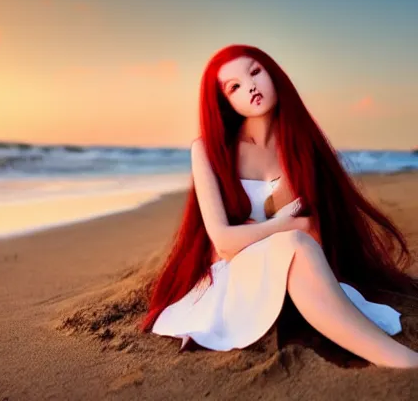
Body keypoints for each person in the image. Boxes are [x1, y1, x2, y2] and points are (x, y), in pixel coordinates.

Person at [138, 44, 418, 369]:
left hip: (298, 269)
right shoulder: (208, 151)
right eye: (235, 87)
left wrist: (267, 231)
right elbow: (225, 244)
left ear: (272, 73)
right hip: (239, 276)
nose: (251, 86)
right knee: (296, 240)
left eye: (255, 72)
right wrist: (288, 224)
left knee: (299, 246)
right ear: (224, 101)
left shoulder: (300, 145)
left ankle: (391, 355)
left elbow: (316, 235)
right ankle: (402, 361)